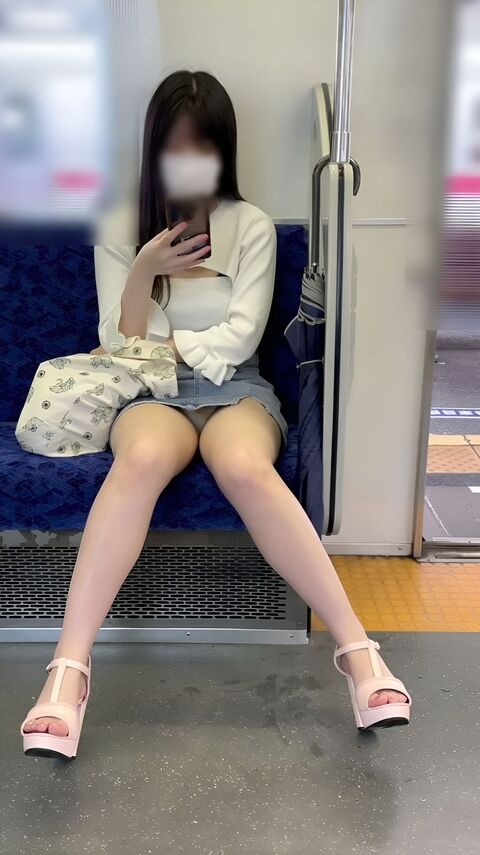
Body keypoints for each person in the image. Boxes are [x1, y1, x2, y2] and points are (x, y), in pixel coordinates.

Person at [20, 70, 411, 759]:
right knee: (141, 458)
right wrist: (144, 267)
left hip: (236, 388)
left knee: (243, 465)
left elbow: (240, 338)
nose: (189, 161)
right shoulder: (121, 226)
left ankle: (358, 652)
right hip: (151, 392)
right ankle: (68, 672)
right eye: (176, 146)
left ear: (222, 150)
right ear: (155, 148)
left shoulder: (249, 225)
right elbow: (120, 342)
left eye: (203, 146)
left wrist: (164, 341)